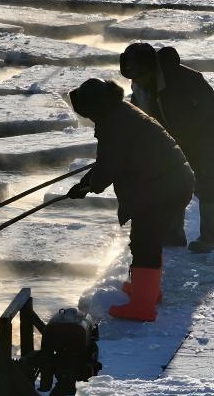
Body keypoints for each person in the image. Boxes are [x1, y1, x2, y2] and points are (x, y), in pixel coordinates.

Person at [65, 78, 194, 322]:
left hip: (162, 187)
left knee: (145, 241)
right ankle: (147, 291)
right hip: (170, 182)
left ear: (95, 107)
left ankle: (143, 307)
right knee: (146, 239)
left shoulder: (113, 124)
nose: (89, 119)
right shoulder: (120, 112)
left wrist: (89, 186)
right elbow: (113, 161)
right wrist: (85, 183)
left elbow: (109, 167)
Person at [120, 42, 214, 253]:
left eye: (137, 73)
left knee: (207, 186)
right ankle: (173, 235)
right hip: (174, 142)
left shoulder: (185, 80)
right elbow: (139, 119)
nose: (134, 79)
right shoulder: (140, 87)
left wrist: (183, 136)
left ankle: (209, 238)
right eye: (130, 73)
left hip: (205, 139)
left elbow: (208, 112)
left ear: (149, 68)